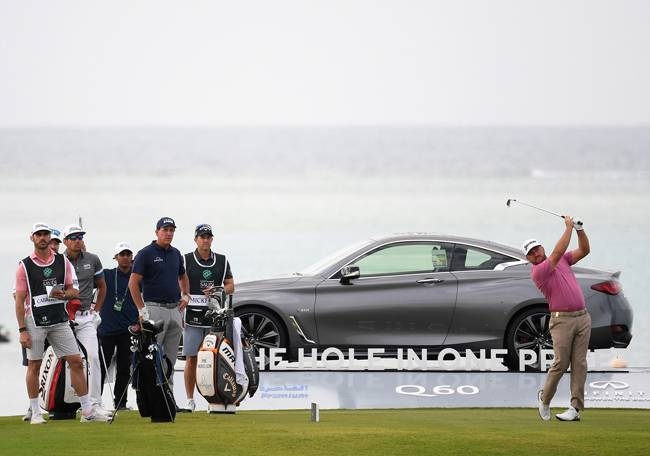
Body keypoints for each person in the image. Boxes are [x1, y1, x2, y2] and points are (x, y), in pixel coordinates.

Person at [15, 222, 108, 423]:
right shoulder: (24, 265)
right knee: (34, 365)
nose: (42, 238)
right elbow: (20, 300)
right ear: (32, 238)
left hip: (59, 320)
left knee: (75, 361)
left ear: (50, 238)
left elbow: (74, 290)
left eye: (45, 234)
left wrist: (64, 295)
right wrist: (22, 329)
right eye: (38, 234)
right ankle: (36, 412)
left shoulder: (62, 262)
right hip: (35, 321)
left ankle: (87, 411)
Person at [523, 215, 591, 422]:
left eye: (537, 249)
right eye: (531, 253)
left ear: (542, 248)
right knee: (561, 363)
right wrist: (568, 227)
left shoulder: (562, 260)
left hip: (583, 317)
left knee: (579, 363)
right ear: (529, 259)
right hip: (561, 321)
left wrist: (580, 230)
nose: (536, 253)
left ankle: (575, 409)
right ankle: (544, 399)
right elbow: (558, 251)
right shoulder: (539, 271)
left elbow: (584, 250)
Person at [128, 217, 190, 389]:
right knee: (152, 354)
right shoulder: (145, 253)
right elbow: (133, 283)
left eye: (172, 230)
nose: (169, 234)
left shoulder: (176, 253)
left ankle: (168, 399)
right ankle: (151, 397)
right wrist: (142, 309)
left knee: (170, 358)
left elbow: (183, 276)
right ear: (157, 232)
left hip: (174, 309)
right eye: (165, 230)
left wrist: (185, 295)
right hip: (154, 309)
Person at [179, 223, 234, 412]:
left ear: (212, 239)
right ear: (195, 239)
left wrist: (217, 291)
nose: (205, 239)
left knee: (215, 358)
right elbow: (178, 283)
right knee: (192, 358)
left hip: (214, 315)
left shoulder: (222, 260)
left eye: (208, 236)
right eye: (202, 236)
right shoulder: (185, 260)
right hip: (192, 314)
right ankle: (189, 399)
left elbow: (230, 285)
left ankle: (215, 399)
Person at [62, 223, 111, 417]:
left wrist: (96, 310)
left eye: (80, 237)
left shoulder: (92, 259)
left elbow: (102, 286)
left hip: (85, 317)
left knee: (93, 357)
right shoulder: (58, 261)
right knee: (66, 361)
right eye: (73, 238)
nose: (77, 241)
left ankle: (94, 405)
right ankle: (43, 405)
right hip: (63, 319)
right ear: (65, 241)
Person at [98, 241, 138, 410]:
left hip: (128, 329)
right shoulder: (106, 274)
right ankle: (93, 402)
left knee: (124, 369)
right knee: (101, 366)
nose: (125, 258)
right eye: (122, 254)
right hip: (106, 328)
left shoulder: (137, 278)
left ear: (132, 257)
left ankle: (121, 403)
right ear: (116, 257)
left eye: (128, 254)